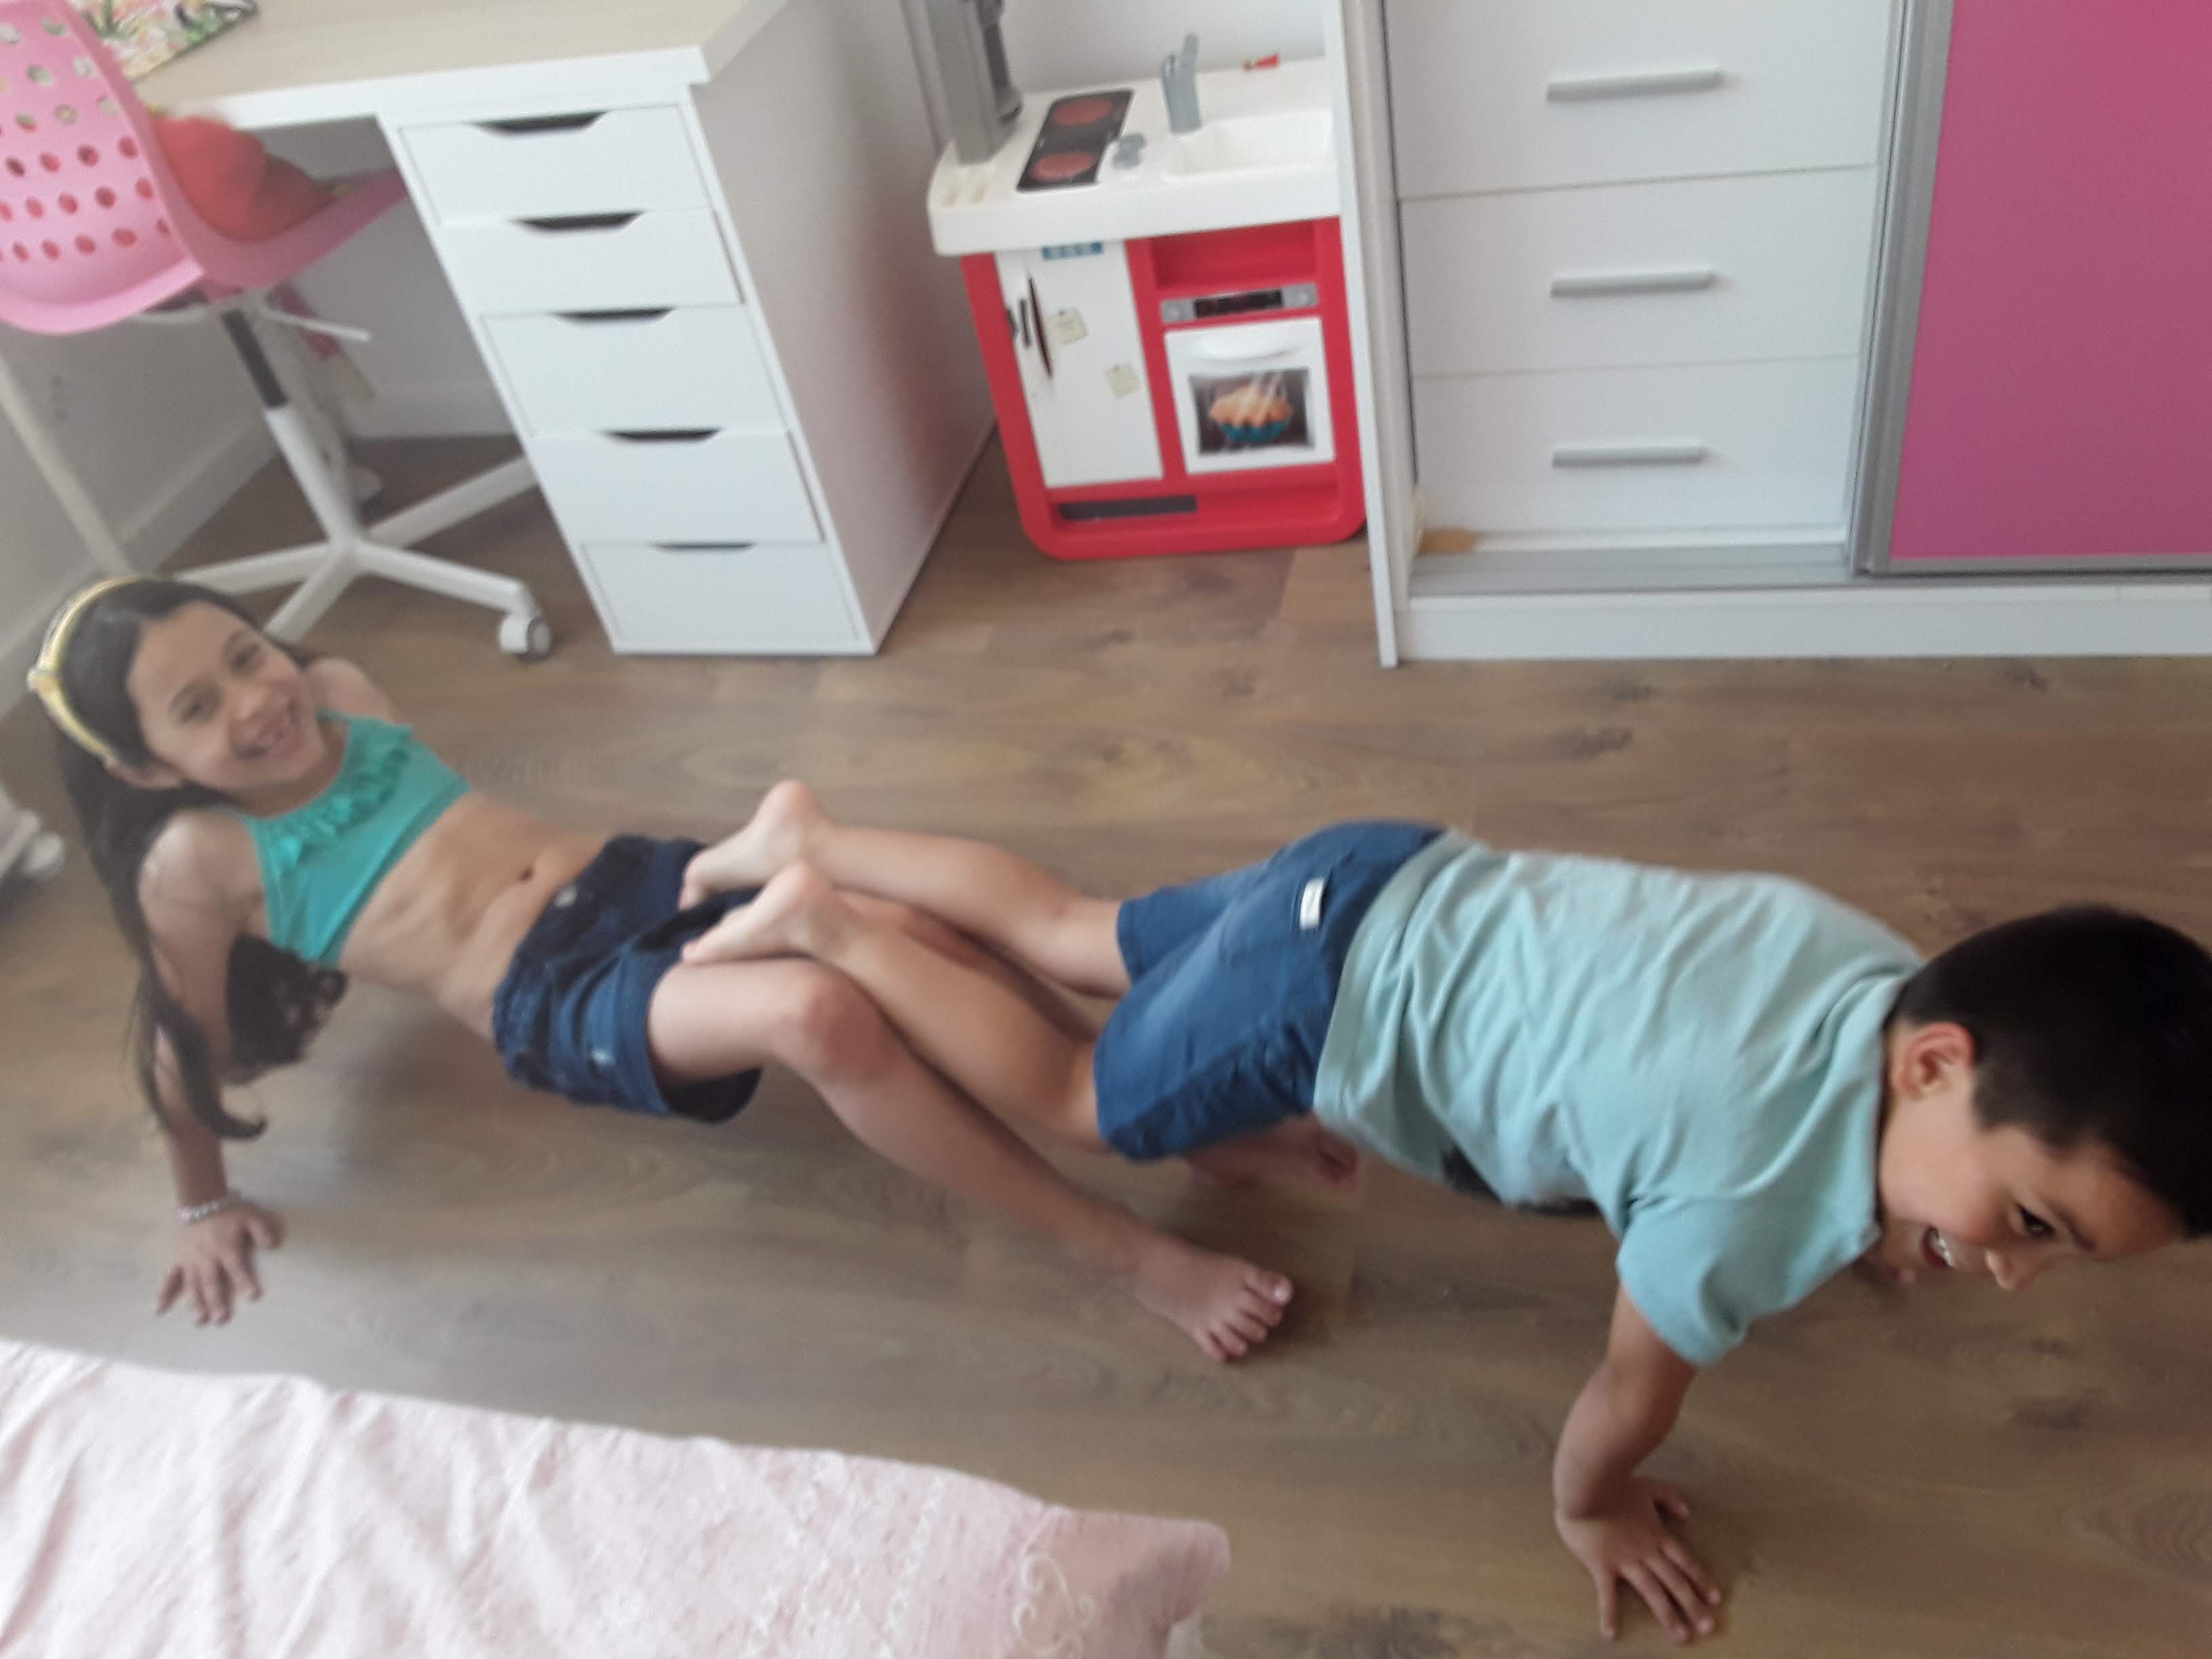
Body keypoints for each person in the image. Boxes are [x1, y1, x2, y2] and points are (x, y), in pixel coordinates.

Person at [676, 781, 2212, 1644]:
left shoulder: (1881, 974)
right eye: (2032, 1227)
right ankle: (828, 928)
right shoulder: (1746, 1216)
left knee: (1083, 930)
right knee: (1082, 1091)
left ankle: (810, 837)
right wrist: (1591, 1505)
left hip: (1388, 875)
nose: (2013, 1276)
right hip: (1321, 1009)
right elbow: (1626, 1393)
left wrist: (1918, 1216)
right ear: (1935, 1068)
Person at [27, 577, 1326, 1362]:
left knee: (911, 928)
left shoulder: (341, 685)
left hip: (633, 879)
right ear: (142, 767)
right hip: (548, 997)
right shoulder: (193, 862)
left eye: (243, 655)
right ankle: (1124, 1254)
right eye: (197, 709)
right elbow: (183, 1037)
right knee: (819, 1012)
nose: (255, 701)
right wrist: (201, 1203)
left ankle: (1159, 1111)